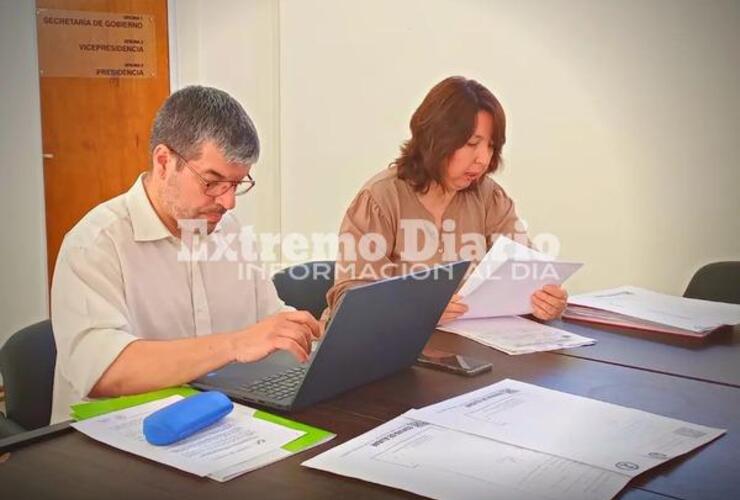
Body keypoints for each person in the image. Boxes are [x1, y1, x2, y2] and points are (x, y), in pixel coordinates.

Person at [50, 86, 321, 424]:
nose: (228, 201)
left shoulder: (230, 231)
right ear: (164, 162)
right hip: (108, 440)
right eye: (212, 182)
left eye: (236, 184)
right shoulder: (95, 244)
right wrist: (235, 344)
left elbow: (265, 319)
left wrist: (306, 332)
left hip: (213, 421)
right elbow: (105, 371)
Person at [325, 76, 568, 324]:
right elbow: (350, 300)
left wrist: (545, 299)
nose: (483, 159)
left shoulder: (489, 196)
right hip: (387, 350)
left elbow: (527, 270)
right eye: (472, 143)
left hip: (465, 349)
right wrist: (418, 307)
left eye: (491, 147)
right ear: (436, 138)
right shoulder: (379, 199)